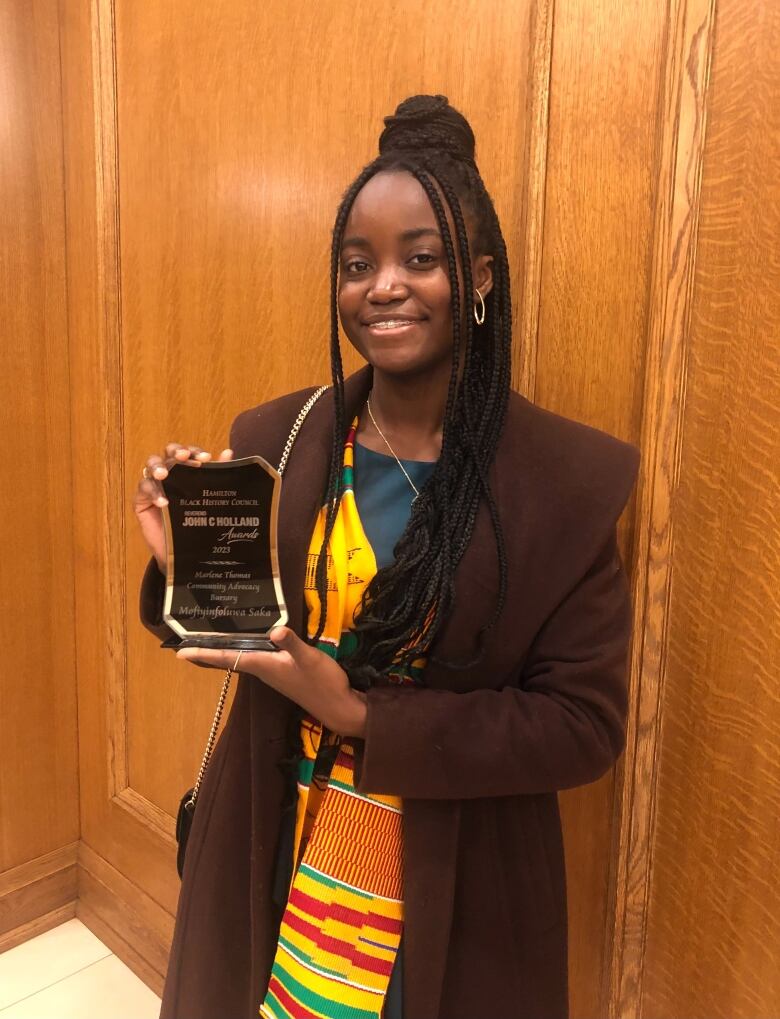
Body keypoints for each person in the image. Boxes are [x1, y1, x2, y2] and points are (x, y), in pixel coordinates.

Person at [133, 94, 641, 1019]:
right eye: (357, 263)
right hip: (274, 840)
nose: (384, 287)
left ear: (479, 277)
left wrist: (361, 712)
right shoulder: (279, 436)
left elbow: (583, 725)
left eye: (423, 258)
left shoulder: (566, 482)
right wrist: (181, 569)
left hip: (452, 883)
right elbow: (241, 634)